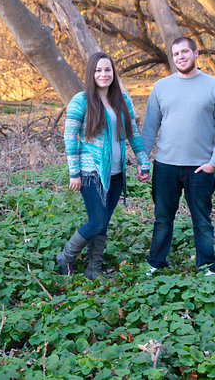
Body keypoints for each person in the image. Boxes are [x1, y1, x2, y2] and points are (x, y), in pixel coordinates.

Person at [139, 36, 215, 275]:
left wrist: (213, 163)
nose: (180, 57)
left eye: (184, 52)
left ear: (195, 53)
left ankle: (207, 266)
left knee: (202, 220)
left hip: (200, 168)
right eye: (176, 54)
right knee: (162, 219)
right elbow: (150, 127)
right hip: (165, 166)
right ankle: (156, 263)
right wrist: (143, 160)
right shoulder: (161, 87)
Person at [56, 52, 150, 279]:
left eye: (107, 69)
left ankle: (93, 269)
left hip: (116, 173)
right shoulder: (81, 100)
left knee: (103, 222)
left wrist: (143, 160)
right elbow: (70, 137)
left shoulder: (122, 100)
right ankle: (65, 257)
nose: (103, 74)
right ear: (91, 73)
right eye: (98, 70)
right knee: (97, 222)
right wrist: (74, 173)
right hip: (91, 173)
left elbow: (132, 133)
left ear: (113, 72)